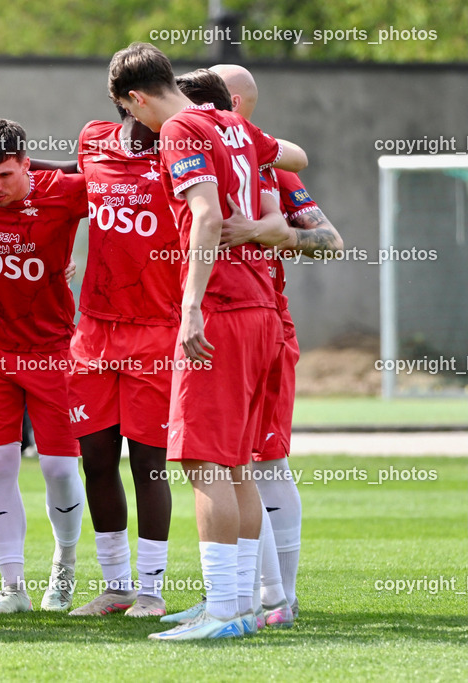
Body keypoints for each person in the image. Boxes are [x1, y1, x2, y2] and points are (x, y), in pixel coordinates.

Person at [108, 42, 306, 640]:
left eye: (130, 111)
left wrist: (190, 307)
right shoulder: (232, 123)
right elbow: (290, 156)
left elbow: (206, 216)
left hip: (219, 307)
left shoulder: (181, 129)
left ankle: (222, 610)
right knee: (237, 462)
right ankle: (240, 605)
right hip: (260, 307)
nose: (134, 125)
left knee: (201, 461)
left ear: (137, 98)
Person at [199, 64, 344, 626]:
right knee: (223, 460)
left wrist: (267, 230)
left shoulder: (268, 164)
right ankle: (244, 594)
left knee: (263, 458)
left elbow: (330, 241)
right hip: (210, 326)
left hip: (263, 327)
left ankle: (276, 598)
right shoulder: (196, 158)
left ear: (231, 101)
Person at [0, 119, 87, 614]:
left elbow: (122, 188)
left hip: (53, 350)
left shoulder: (67, 192)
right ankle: (12, 590)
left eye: (5, 175)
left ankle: (64, 571)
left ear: (26, 163)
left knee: (57, 467)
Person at [64, 101, 178, 618]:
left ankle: (152, 591)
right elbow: (70, 177)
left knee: (149, 465)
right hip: (94, 333)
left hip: (156, 333)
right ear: (130, 100)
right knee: (96, 461)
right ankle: (118, 586)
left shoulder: (186, 150)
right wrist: (10, 161)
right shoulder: (94, 139)